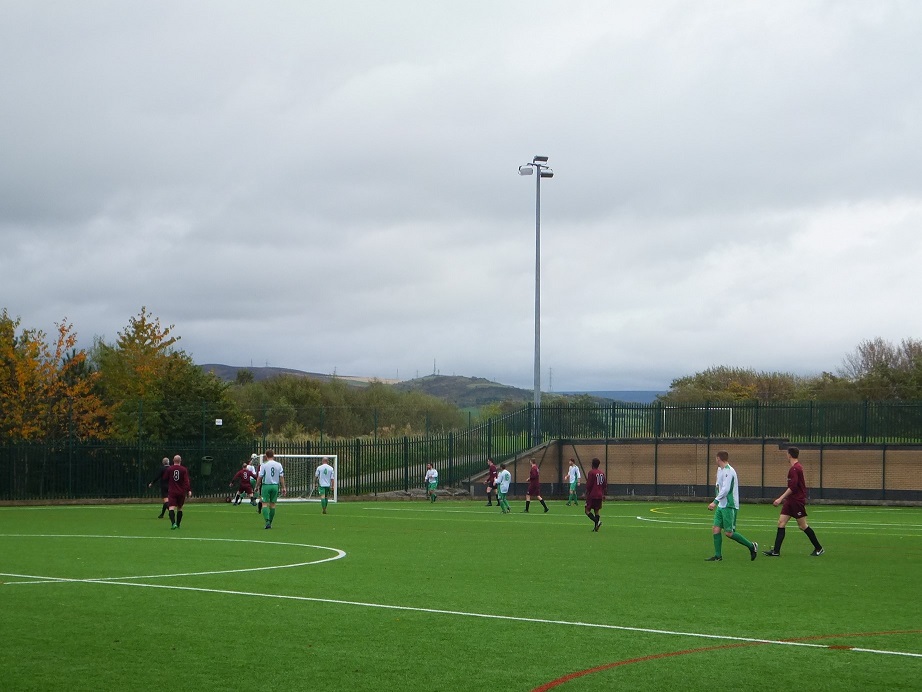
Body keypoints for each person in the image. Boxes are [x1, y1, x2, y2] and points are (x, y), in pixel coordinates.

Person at [764, 447, 824, 557]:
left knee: (802, 526)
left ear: (789, 455)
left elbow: (793, 487)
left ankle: (819, 548)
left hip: (796, 501)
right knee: (781, 523)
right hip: (790, 501)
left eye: (787, 454)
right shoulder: (795, 468)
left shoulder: (795, 469)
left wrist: (780, 499)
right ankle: (776, 551)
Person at [706, 451, 758, 562]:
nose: (715, 461)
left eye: (716, 459)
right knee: (715, 529)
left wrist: (714, 501)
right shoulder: (720, 470)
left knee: (729, 533)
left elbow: (726, 489)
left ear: (719, 458)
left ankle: (751, 546)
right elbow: (719, 486)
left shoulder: (729, 471)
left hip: (729, 505)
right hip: (722, 504)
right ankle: (718, 556)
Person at [255, 449, 286, 529]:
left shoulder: (264, 465)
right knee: (272, 505)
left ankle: (267, 522)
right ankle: (270, 522)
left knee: (264, 503)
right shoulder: (278, 464)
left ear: (266, 456)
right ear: (273, 455)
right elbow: (281, 477)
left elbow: (260, 477)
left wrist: (257, 486)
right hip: (275, 486)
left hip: (266, 486)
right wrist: (283, 487)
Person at [166, 454, 192, 530]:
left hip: (172, 491)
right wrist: (189, 490)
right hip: (181, 491)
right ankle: (178, 524)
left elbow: (166, 478)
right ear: (180, 461)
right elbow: (186, 481)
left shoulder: (169, 469)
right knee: (180, 508)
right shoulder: (184, 470)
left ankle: (173, 523)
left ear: (173, 461)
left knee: (171, 507)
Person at [584, 458, 606, 531]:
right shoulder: (602, 473)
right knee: (596, 510)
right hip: (599, 494)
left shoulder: (591, 472)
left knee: (587, 510)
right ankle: (596, 527)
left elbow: (589, 484)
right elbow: (604, 484)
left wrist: (586, 492)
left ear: (592, 464)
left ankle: (597, 522)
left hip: (592, 494)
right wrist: (603, 494)